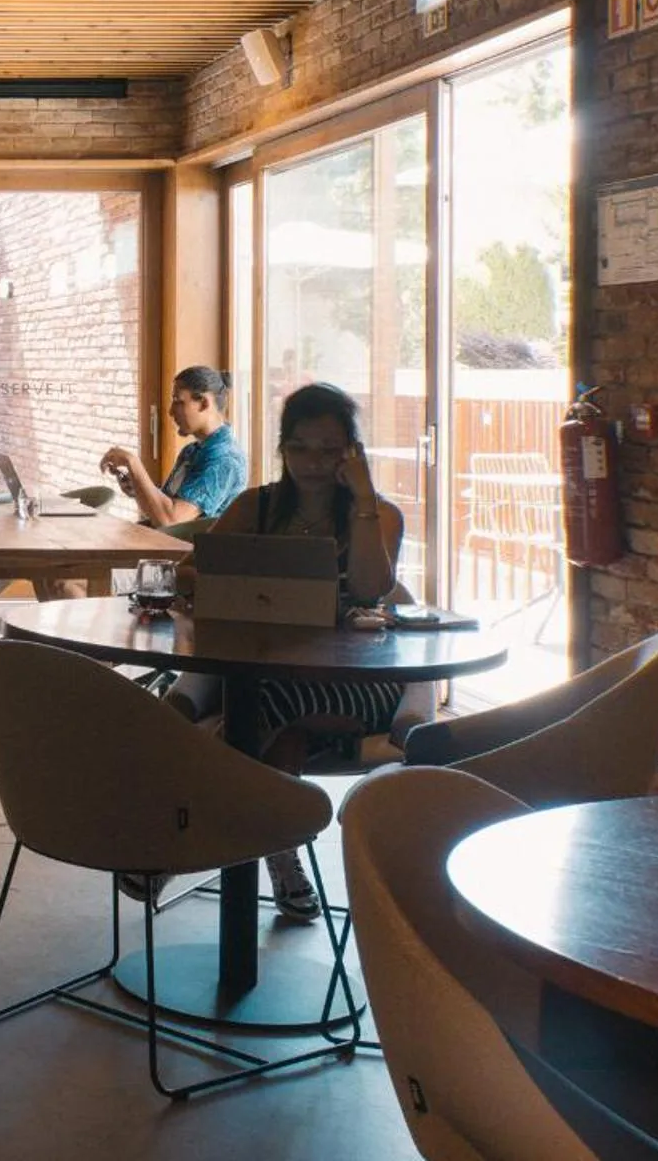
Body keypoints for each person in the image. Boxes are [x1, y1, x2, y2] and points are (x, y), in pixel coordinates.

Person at [189, 381, 407, 919]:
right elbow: (190, 572)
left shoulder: (379, 514)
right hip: (271, 670)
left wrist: (361, 500)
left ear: (351, 453)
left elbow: (371, 588)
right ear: (282, 448)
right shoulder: (256, 507)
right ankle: (282, 857)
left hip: (357, 678)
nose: (313, 462)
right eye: (299, 448)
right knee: (281, 728)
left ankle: (180, 841)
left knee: (252, 711)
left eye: (329, 450)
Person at [98, 364, 248, 529]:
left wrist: (133, 462)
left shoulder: (225, 460)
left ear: (204, 403)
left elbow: (170, 521)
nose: (170, 411)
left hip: (190, 546)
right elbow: (163, 510)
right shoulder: (191, 451)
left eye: (178, 401)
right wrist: (138, 487)